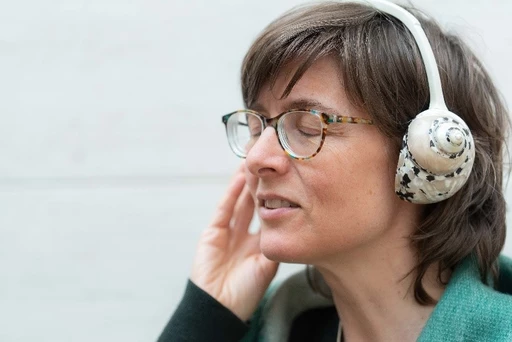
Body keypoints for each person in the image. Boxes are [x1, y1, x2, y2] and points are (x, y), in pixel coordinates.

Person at [158, 0, 512, 341]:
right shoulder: (256, 324)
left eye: (308, 127)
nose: (256, 158)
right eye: (257, 127)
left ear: (421, 159)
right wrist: (204, 318)